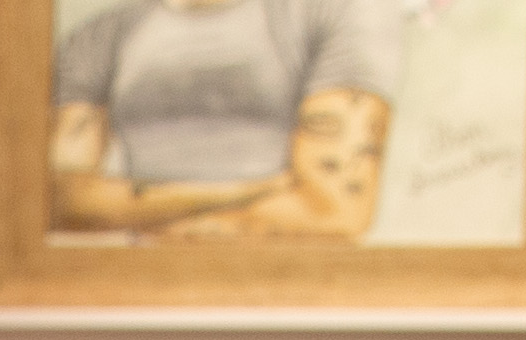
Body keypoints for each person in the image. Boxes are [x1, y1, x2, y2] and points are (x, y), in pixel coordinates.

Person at [46, 0, 402, 237]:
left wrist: (143, 211)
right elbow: (59, 202)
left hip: (299, 302)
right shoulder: (98, 38)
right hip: (147, 306)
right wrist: (249, 191)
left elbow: (335, 211)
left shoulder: (335, 12)